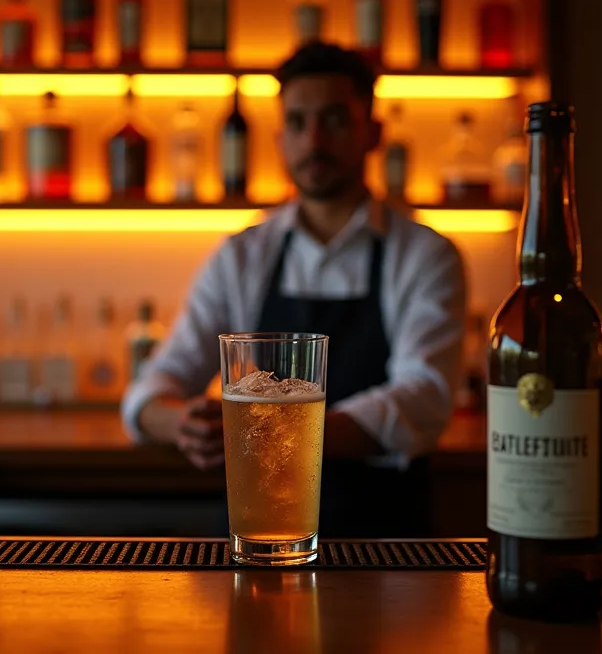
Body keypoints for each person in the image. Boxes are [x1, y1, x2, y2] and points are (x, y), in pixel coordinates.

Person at [120, 42, 467, 538]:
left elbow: (423, 399)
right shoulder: (242, 255)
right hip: (258, 532)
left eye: (335, 120)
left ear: (373, 133)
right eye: (298, 123)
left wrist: (273, 428)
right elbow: (153, 387)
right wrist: (181, 424)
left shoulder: (424, 254)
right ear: (281, 138)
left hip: (385, 543)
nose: (314, 141)